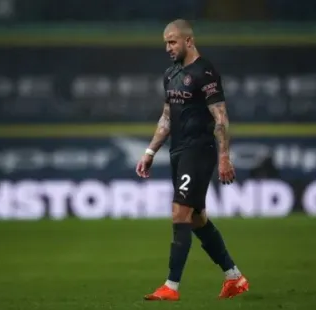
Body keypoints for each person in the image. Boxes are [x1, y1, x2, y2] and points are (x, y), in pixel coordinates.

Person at [135, 19, 249, 301]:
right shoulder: (170, 74)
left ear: (189, 40)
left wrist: (224, 157)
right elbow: (165, 117)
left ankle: (171, 287)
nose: (167, 48)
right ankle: (234, 277)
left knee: (180, 213)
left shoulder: (205, 72)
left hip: (199, 150)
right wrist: (150, 152)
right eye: (165, 42)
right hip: (177, 151)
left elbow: (220, 117)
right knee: (197, 219)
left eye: (172, 41)